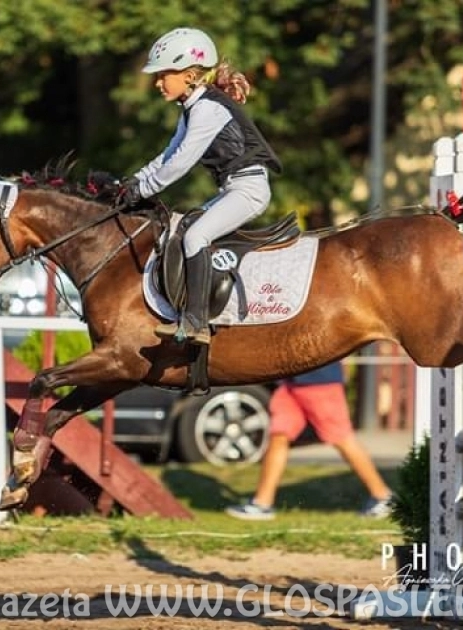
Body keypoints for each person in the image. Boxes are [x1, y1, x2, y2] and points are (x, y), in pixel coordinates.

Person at [116, 27, 282, 345]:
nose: (157, 82)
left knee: (195, 236)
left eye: (163, 74)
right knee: (181, 230)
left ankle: (196, 322)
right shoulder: (191, 108)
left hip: (248, 191)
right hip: (232, 189)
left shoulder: (209, 109)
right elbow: (166, 156)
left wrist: (144, 190)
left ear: (190, 74)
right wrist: (132, 182)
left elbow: (180, 164)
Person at [225, 361, 393, 520]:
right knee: (279, 435)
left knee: (341, 437)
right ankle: (262, 504)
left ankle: (383, 497)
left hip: (320, 381)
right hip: (291, 381)